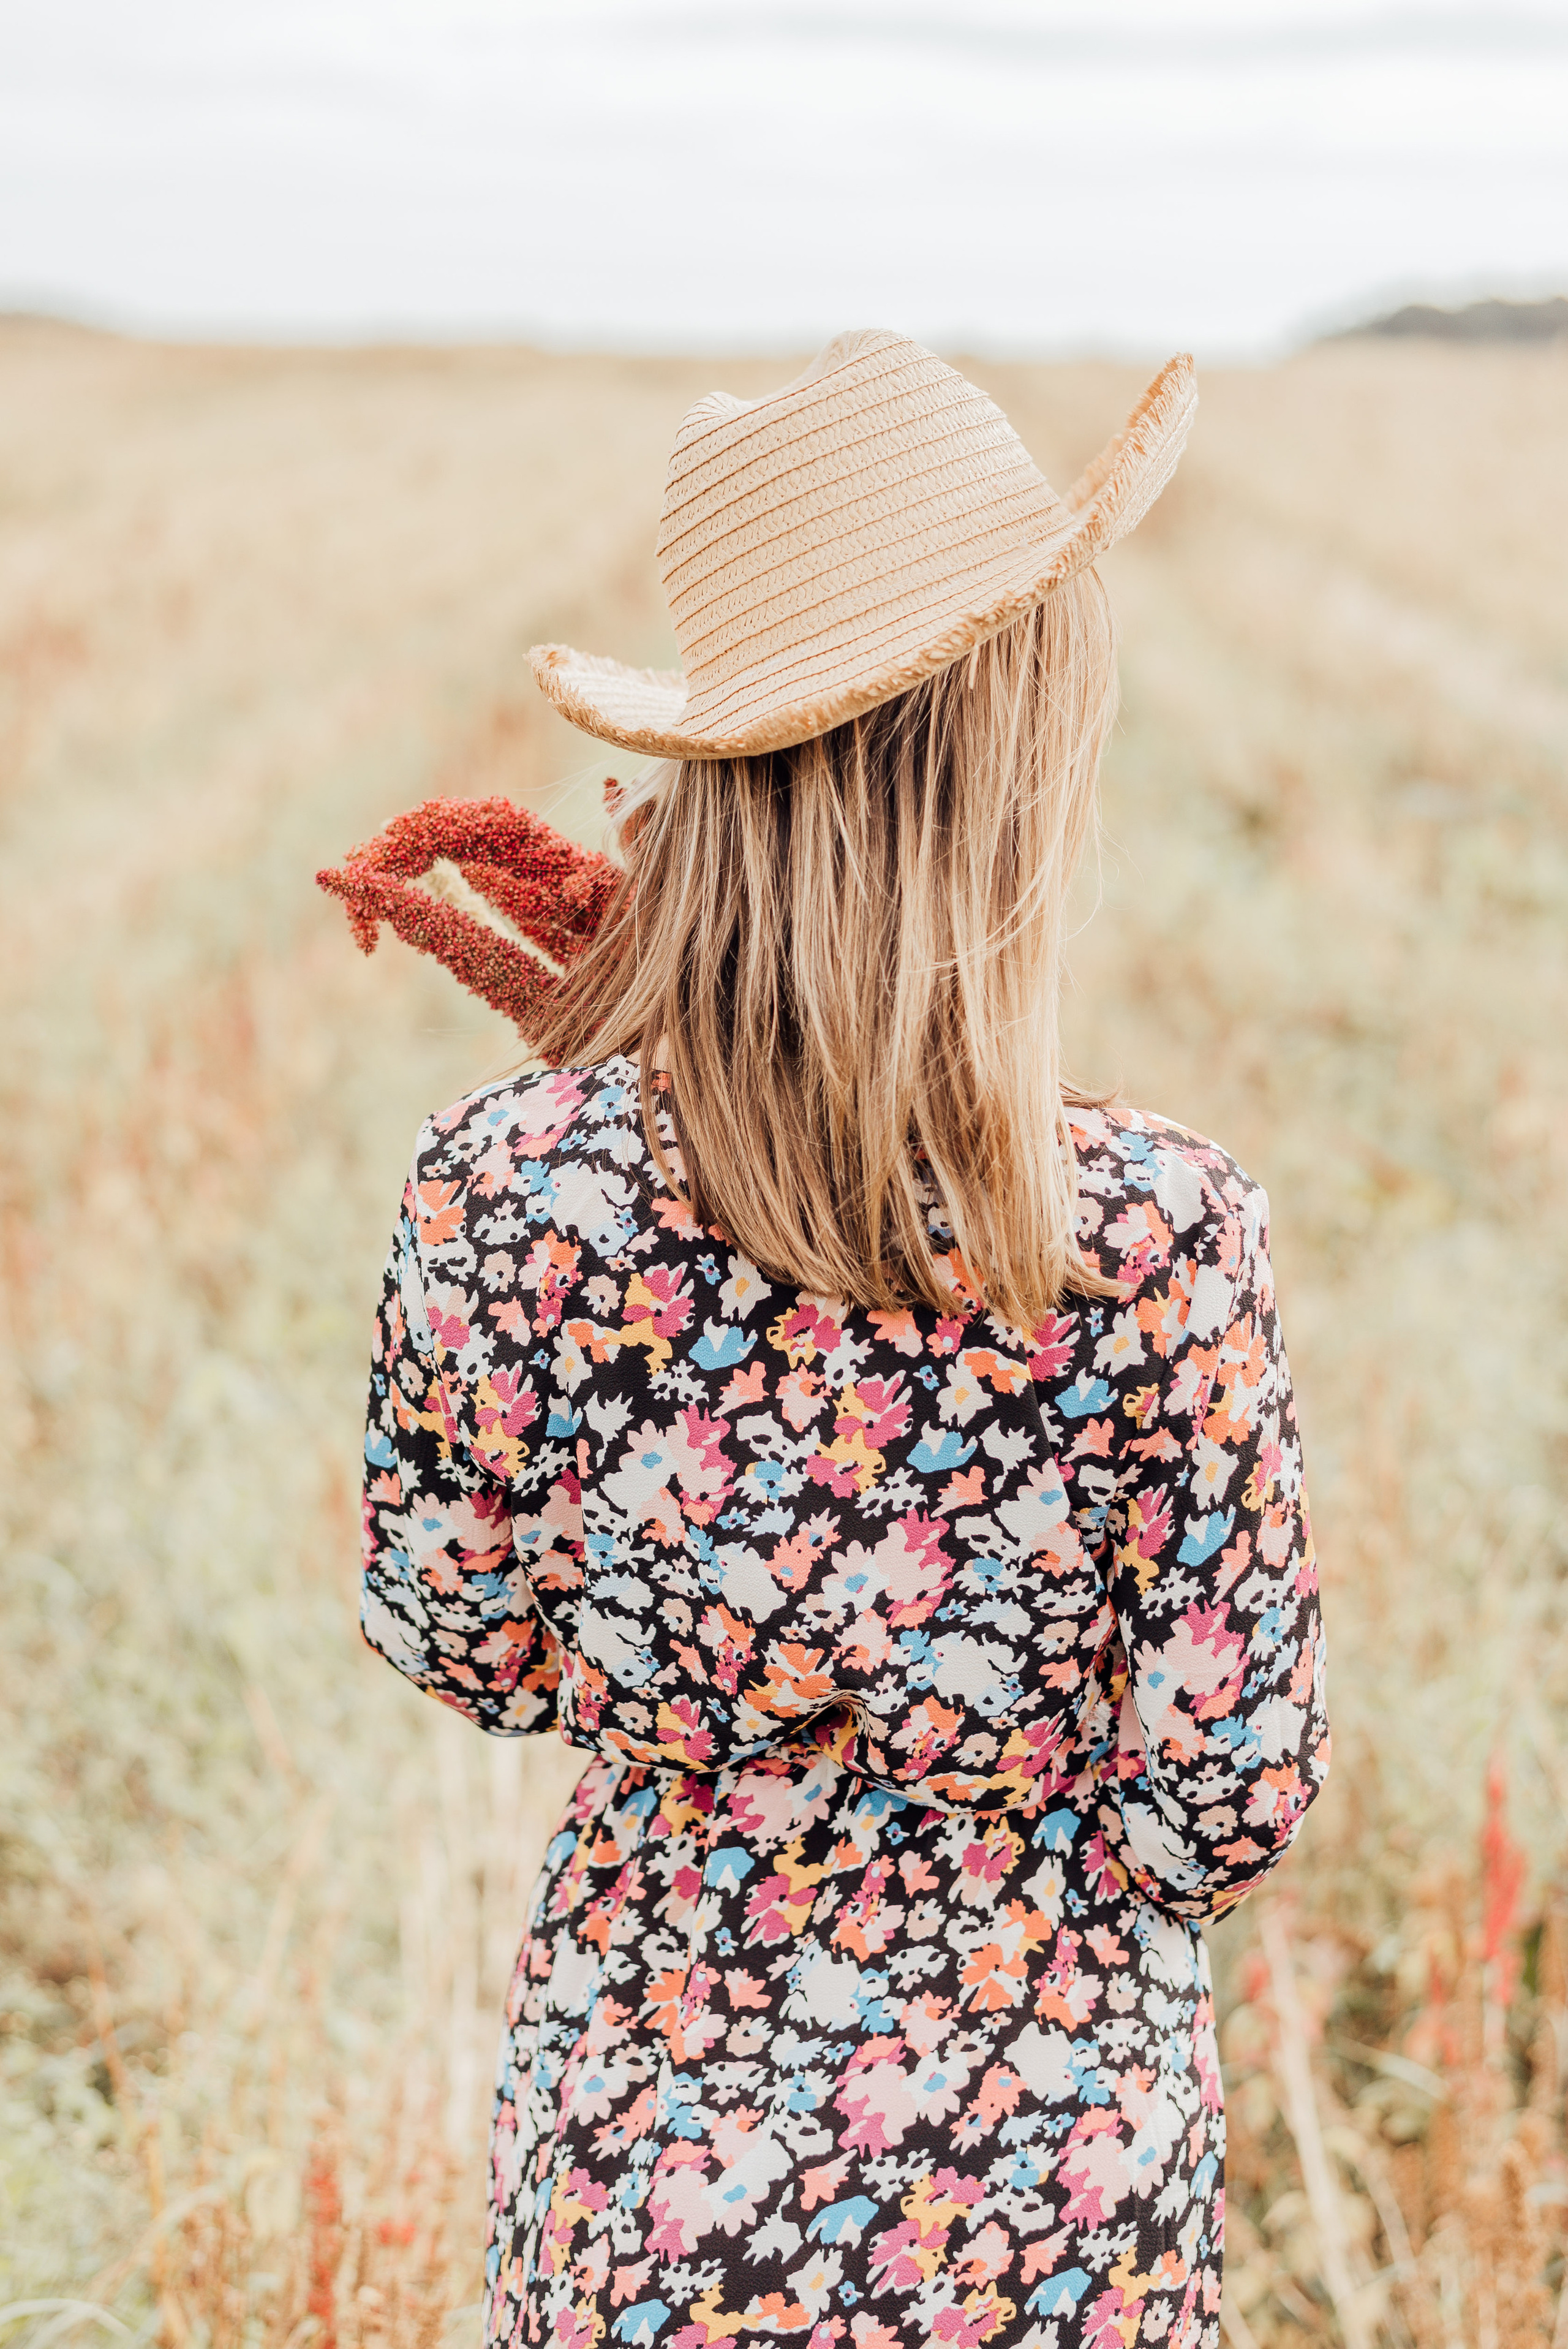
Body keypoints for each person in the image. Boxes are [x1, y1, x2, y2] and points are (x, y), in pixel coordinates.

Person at [355, 331, 1329, 2349]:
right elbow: (1223, 1799)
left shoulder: (500, 1188)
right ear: (1017, 757)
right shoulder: (1152, 1239)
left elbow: (461, 1635)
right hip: (1048, 2226)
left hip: (639, 2193)